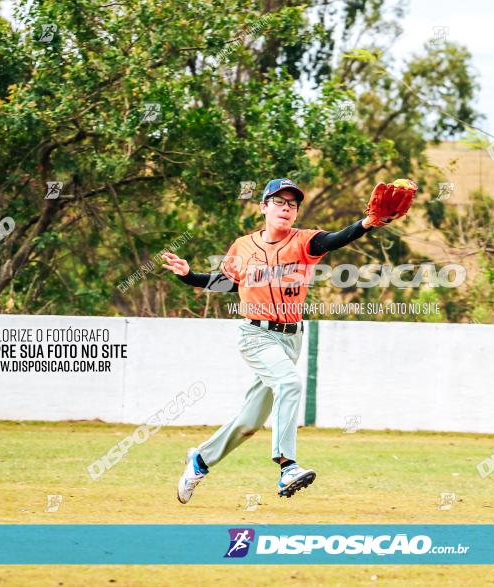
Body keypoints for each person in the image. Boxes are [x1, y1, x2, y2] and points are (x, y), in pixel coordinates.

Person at [161, 178, 402, 502]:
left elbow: (335, 239)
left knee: (250, 421)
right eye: (278, 201)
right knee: (290, 384)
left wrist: (368, 222)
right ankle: (287, 465)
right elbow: (230, 283)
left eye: (292, 204)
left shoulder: (303, 242)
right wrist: (189, 276)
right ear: (263, 206)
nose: (286, 208)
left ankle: (200, 460)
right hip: (256, 334)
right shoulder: (243, 246)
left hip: (291, 340)